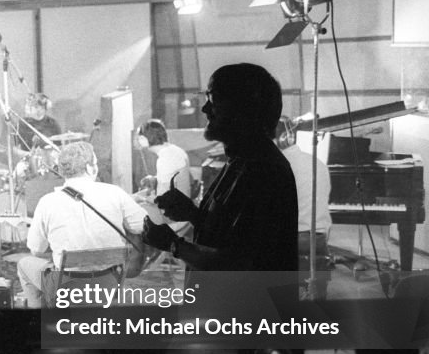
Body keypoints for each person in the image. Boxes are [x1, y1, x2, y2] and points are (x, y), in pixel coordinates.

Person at [141, 63, 298, 272]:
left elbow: (238, 264)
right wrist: (193, 214)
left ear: (242, 110)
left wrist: (174, 244)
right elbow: (231, 232)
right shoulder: (239, 161)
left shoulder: (264, 172)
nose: (205, 109)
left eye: (213, 100)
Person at [17, 141, 147, 308]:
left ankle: (40, 318)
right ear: (89, 168)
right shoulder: (115, 193)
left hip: (70, 288)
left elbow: (36, 249)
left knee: (24, 265)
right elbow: (143, 226)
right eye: (96, 163)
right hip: (110, 284)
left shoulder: (47, 202)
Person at [278, 116, 332, 296]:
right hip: (318, 240)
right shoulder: (319, 163)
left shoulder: (276, 166)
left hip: (290, 242)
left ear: (282, 139)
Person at [135, 119, 193, 238]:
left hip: (175, 218)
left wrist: (140, 199)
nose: (138, 141)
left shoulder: (166, 159)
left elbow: (162, 200)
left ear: (144, 139)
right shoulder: (175, 150)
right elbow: (175, 179)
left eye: (139, 138)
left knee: (132, 214)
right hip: (184, 209)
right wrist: (155, 179)